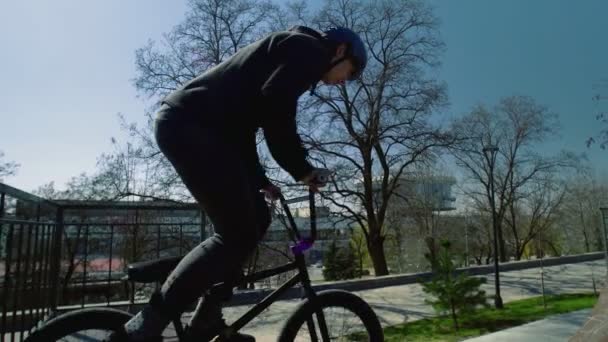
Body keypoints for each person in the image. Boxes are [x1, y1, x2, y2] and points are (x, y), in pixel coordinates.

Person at [109, 25, 367, 342]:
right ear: (340, 51)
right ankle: (146, 324)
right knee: (236, 231)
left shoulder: (290, 54)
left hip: (206, 131)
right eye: (350, 71)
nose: (344, 81)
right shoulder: (310, 50)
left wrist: (261, 181)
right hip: (190, 125)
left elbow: (242, 131)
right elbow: (277, 106)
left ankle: (207, 315)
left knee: (257, 219)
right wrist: (302, 169)